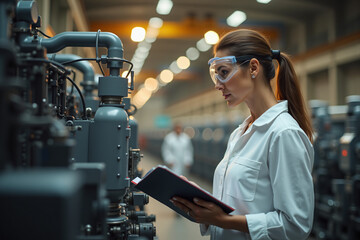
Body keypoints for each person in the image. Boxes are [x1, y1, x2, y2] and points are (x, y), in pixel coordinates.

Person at [170, 29, 314, 240]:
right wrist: (200, 201)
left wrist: (223, 221)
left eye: (224, 72)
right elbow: (241, 204)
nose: (218, 84)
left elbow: (295, 225)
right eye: (215, 74)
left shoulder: (284, 133)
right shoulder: (240, 133)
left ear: (253, 68)